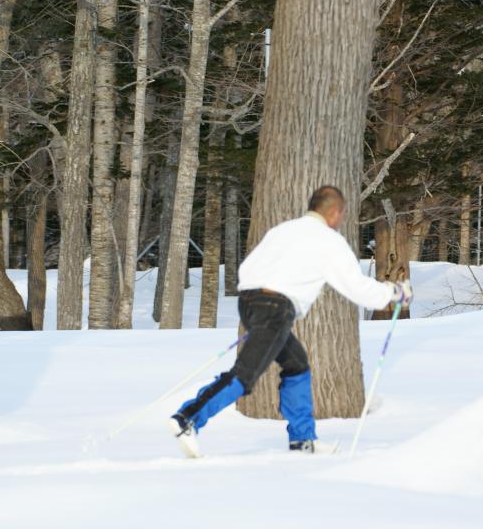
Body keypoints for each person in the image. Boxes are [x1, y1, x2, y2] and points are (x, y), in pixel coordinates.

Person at [169, 186, 413, 457]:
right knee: (245, 374)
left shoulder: (281, 231)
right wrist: (394, 293)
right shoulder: (328, 241)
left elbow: (248, 267)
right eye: (343, 214)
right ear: (335, 212)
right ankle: (188, 417)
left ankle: (302, 439)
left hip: (250, 301)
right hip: (275, 308)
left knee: (296, 365)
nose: (342, 220)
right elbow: (356, 288)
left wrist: (258, 303)